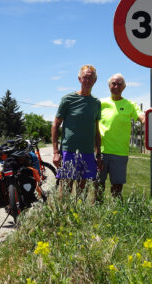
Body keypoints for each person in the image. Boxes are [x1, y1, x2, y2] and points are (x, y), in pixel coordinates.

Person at [51, 64, 102, 199]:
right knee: (65, 189)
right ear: (79, 79)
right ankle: (62, 218)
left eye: (90, 78)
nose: (87, 81)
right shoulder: (68, 99)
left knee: (81, 191)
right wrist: (56, 152)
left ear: (95, 81)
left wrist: (98, 155)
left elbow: (96, 131)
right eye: (85, 77)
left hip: (87, 152)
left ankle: (76, 217)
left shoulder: (96, 103)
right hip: (69, 151)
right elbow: (55, 125)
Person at [96, 73, 145, 200]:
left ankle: (115, 215)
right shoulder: (100, 103)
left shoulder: (130, 105)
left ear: (124, 87)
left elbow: (143, 118)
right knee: (97, 186)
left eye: (119, 84)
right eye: (113, 83)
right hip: (100, 152)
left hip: (120, 153)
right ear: (109, 86)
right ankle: (95, 215)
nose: (116, 86)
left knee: (117, 189)